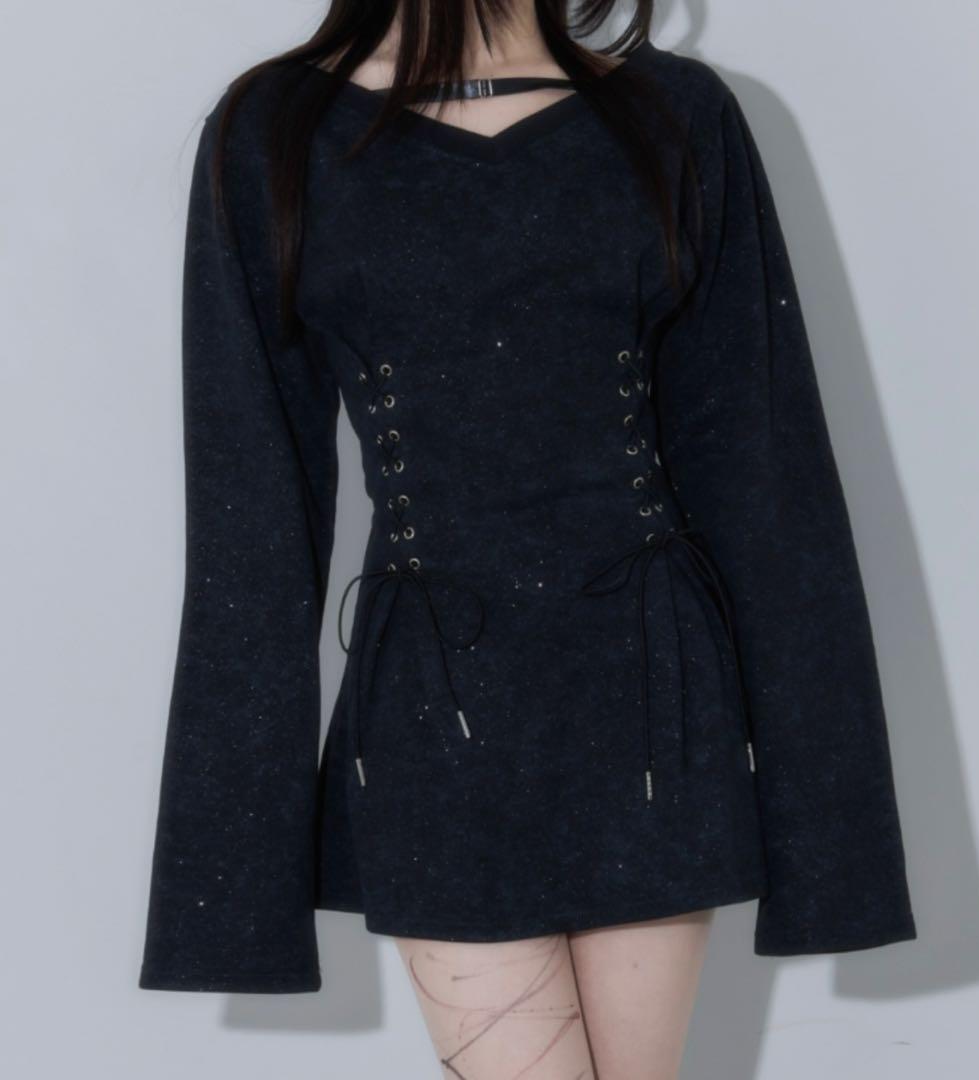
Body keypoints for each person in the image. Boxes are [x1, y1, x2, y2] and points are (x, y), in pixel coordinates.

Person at [137, 1, 917, 1075]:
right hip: (437, 713)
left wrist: (830, 841)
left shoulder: (672, 112)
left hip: (651, 708)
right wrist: (231, 884)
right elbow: (251, 526)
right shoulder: (277, 130)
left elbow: (765, 476)